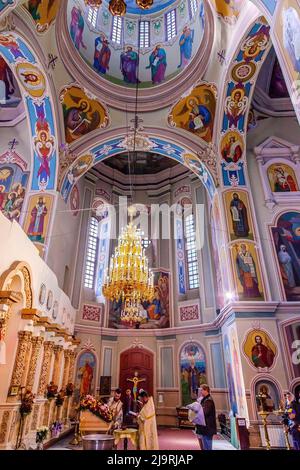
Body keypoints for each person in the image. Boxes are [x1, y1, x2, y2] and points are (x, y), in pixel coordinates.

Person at [194, 385, 217, 451]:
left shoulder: (208, 400)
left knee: (207, 446)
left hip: (208, 427)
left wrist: (196, 412)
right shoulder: (205, 399)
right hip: (205, 426)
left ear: (206, 390)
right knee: (205, 445)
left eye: (202, 390)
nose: (201, 392)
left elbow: (205, 412)